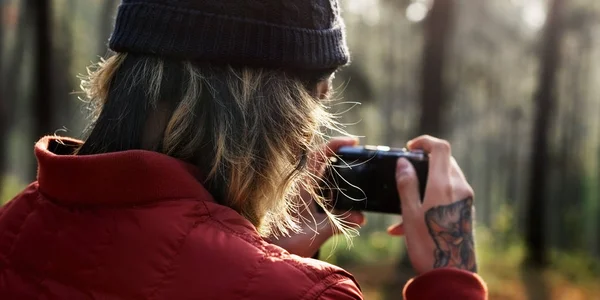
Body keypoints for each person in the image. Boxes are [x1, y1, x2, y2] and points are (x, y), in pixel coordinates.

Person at [0, 0, 487, 299]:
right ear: (277, 118)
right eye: (313, 105)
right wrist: (452, 275)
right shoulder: (307, 295)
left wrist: (258, 251)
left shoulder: (16, 225)